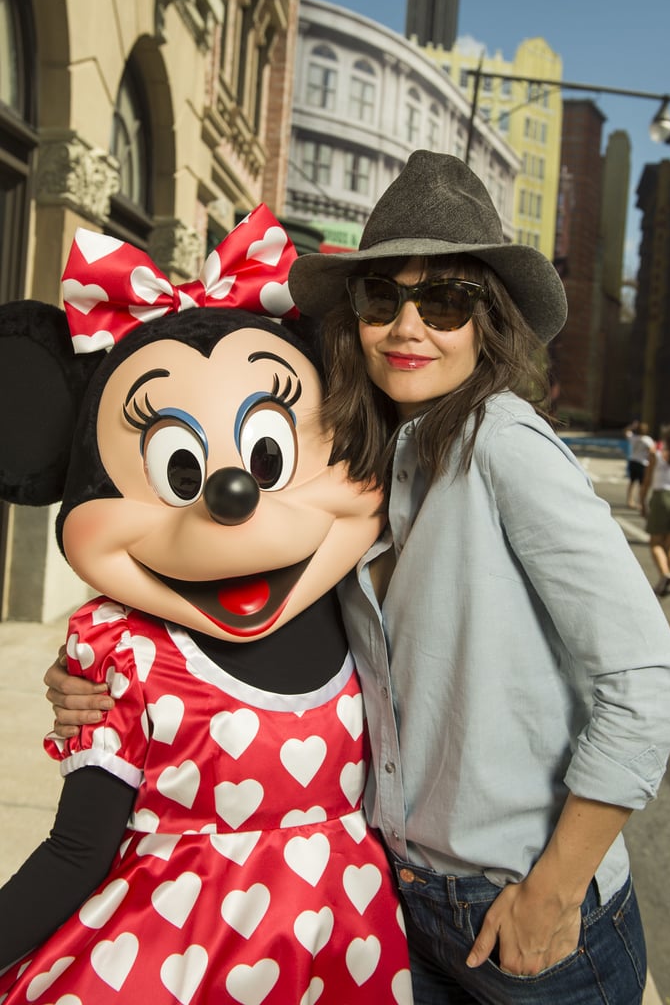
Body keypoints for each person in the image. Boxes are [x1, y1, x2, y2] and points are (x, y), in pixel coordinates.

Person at [45, 152, 670, 1005]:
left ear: (485, 321)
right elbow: (258, 619)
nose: (407, 327)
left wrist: (554, 893)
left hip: (526, 911)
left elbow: (644, 682)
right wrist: (99, 673)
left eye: (444, 301)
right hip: (405, 906)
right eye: (383, 299)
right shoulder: (362, 459)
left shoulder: (500, 443)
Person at [0, 210, 412, 1002]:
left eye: (266, 457)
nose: (232, 495)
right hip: (183, 958)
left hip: (344, 948)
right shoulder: (123, 653)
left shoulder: (359, 598)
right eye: (182, 469)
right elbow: (75, 850)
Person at [640, 423, 670, 595]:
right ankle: (666, 578)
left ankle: (665, 574)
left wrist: (642, 501)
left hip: (661, 499)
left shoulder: (656, 454)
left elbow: (647, 481)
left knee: (655, 543)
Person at [624, 421, 655, 508]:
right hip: (642, 463)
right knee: (642, 484)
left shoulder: (633, 438)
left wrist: (631, 426)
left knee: (632, 482)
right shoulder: (648, 440)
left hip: (633, 461)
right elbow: (652, 451)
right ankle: (640, 502)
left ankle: (629, 500)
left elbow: (626, 432)